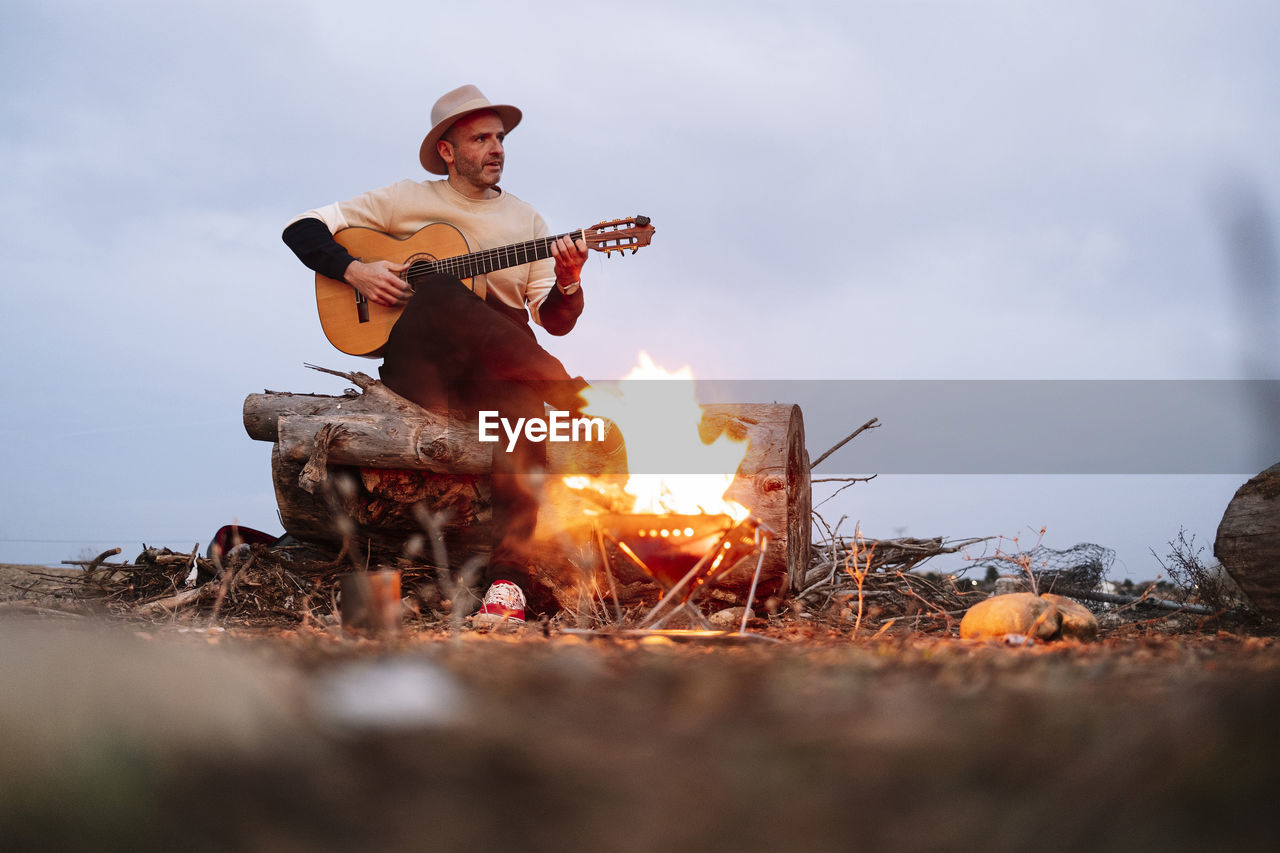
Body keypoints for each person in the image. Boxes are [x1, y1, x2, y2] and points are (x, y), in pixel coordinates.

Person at [282, 84, 592, 627]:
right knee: (442, 288)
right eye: (480, 138)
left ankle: (507, 583)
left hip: (497, 370)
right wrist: (355, 269)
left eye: (500, 137)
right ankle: (565, 391)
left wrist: (569, 282)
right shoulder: (404, 199)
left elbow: (554, 321)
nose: (496, 148)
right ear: (447, 150)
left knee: (520, 413)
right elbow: (301, 227)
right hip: (421, 367)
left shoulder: (529, 220)